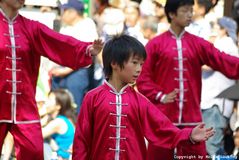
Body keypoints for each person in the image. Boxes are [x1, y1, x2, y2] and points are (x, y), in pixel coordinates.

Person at [72, 34, 215, 160]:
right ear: (114, 63)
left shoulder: (140, 101)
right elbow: (81, 141)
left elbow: (162, 129)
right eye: (134, 63)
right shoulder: (92, 98)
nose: (139, 69)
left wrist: (188, 135)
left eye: (141, 64)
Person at [136, 0, 239, 159]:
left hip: (192, 119)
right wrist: (160, 96)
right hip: (163, 119)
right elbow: (142, 78)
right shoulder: (155, 44)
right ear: (171, 14)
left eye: (191, 10)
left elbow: (222, 60)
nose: (190, 14)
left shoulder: (197, 43)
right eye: (185, 10)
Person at [0, 0, 103, 159]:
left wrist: (86, 49)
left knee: (34, 152)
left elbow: (59, 42)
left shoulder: (31, 28)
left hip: (25, 107)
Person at [50, 0, 102, 113]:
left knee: (74, 108)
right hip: (61, 70)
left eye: (65, 11)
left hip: (77, 72)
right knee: (57, 106)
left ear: (73, 12)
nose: (62, 14)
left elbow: (87, 53)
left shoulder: (87, 24)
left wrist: (65, 70)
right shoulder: (65, 27)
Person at [201, 16, 239, 157]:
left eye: (217, 27)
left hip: (215, 104)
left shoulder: (226, 44)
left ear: (225, 30)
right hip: (210, 103)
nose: (213, 30)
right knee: (207, 146)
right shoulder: (222, 43)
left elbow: (206, 64)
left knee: (212, 146)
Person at [42, 89, 77, 160]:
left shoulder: (59, 122)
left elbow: (36, 135)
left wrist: (43, 118)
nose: (46, 102)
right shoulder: (66, 119)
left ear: (58, 106)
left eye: (50, 99)